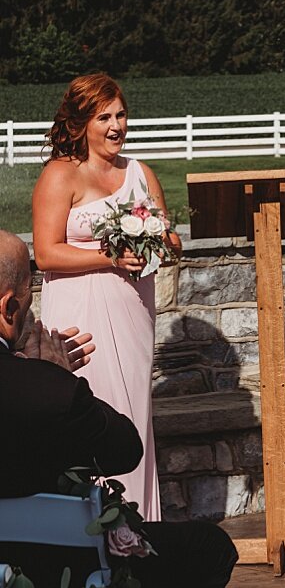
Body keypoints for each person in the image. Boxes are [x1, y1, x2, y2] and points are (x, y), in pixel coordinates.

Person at [0, 230, 237, 588]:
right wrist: (54, 378)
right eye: (28, 303)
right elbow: (124, 451)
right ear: (9, 309)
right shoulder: (46, 392)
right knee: (208, 549)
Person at [31, 74, 179, 521]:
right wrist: (111, 254)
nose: (116, 126)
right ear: (81, 123)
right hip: (81, 311)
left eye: (121, 115)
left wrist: (155, 239)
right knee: (90, 409)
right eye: (104, 117)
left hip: (132, 310)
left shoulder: (140, 173)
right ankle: (91, 531)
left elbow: (172, 239)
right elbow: (45, 252)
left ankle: (139, 528)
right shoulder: (61, 174)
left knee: (132, 411)